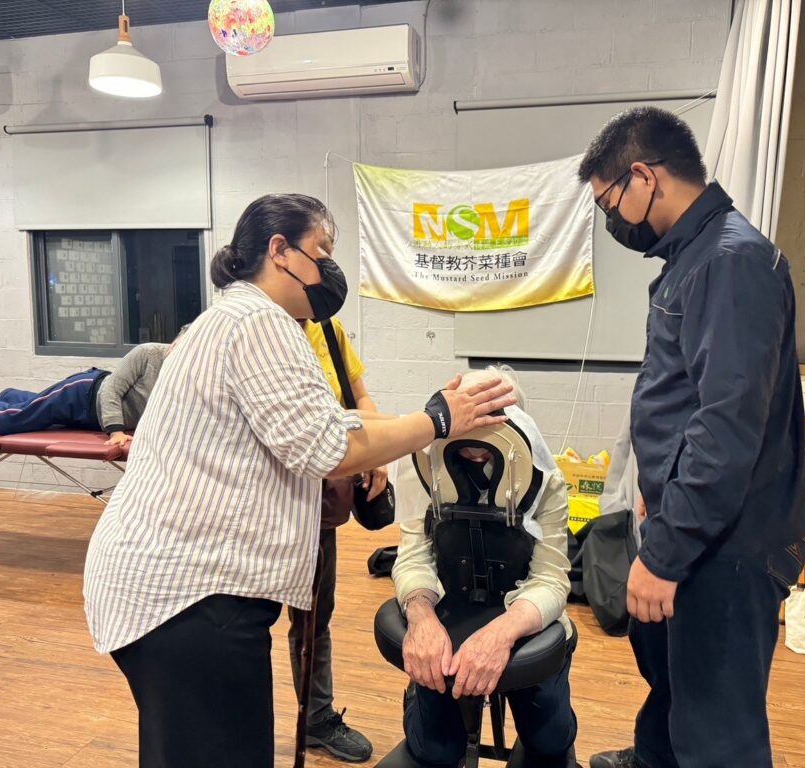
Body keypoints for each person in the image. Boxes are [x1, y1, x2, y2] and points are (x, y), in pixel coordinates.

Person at [82, 193, 516, 768]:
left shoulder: (235, 317)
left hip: (176, 590)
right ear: (279, 250)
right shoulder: (260, 322)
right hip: (191, 597)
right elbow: (329, 447)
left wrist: (435, 414)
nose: (330, 267)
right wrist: (438, 420)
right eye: (323, 250)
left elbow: (332, 421)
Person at [577, 108, 805, 768]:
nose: (612, 219)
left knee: (718, 733)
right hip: (699, 524)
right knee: (675, 688)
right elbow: (687, 396)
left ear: (644, 177)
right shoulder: (697, 255)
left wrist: (666, 555)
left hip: (728, 545)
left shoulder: (729, 262)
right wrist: (657, 493)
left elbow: (725, 429)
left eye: (609, 202)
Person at [393, 367, 577, 768]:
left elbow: (551, 578)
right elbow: (412, 555)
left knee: (549, 741)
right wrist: (420, 616)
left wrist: (501, 634)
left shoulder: (547, 481)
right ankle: (422, 703)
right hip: (450, 610)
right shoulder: (425, 471)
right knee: (433, 749)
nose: (477, 450)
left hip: (523, 615)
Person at [291, 315, 385, 762]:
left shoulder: (328, 327)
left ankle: (316, 718)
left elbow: (358, 396)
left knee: (313, 618)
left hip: (320, 502)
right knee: (242, 621)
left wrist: (375, 450)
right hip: (260, 506)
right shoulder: (254, 328)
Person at [0, 328, 188, 446]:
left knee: (32, 409)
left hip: (92, 420)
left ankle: (11, 396)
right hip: (81, 396)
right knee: (11, 421)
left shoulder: (188, 375)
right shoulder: (148, 353)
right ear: (176, 342)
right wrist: (116, 432)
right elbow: (111, 390)